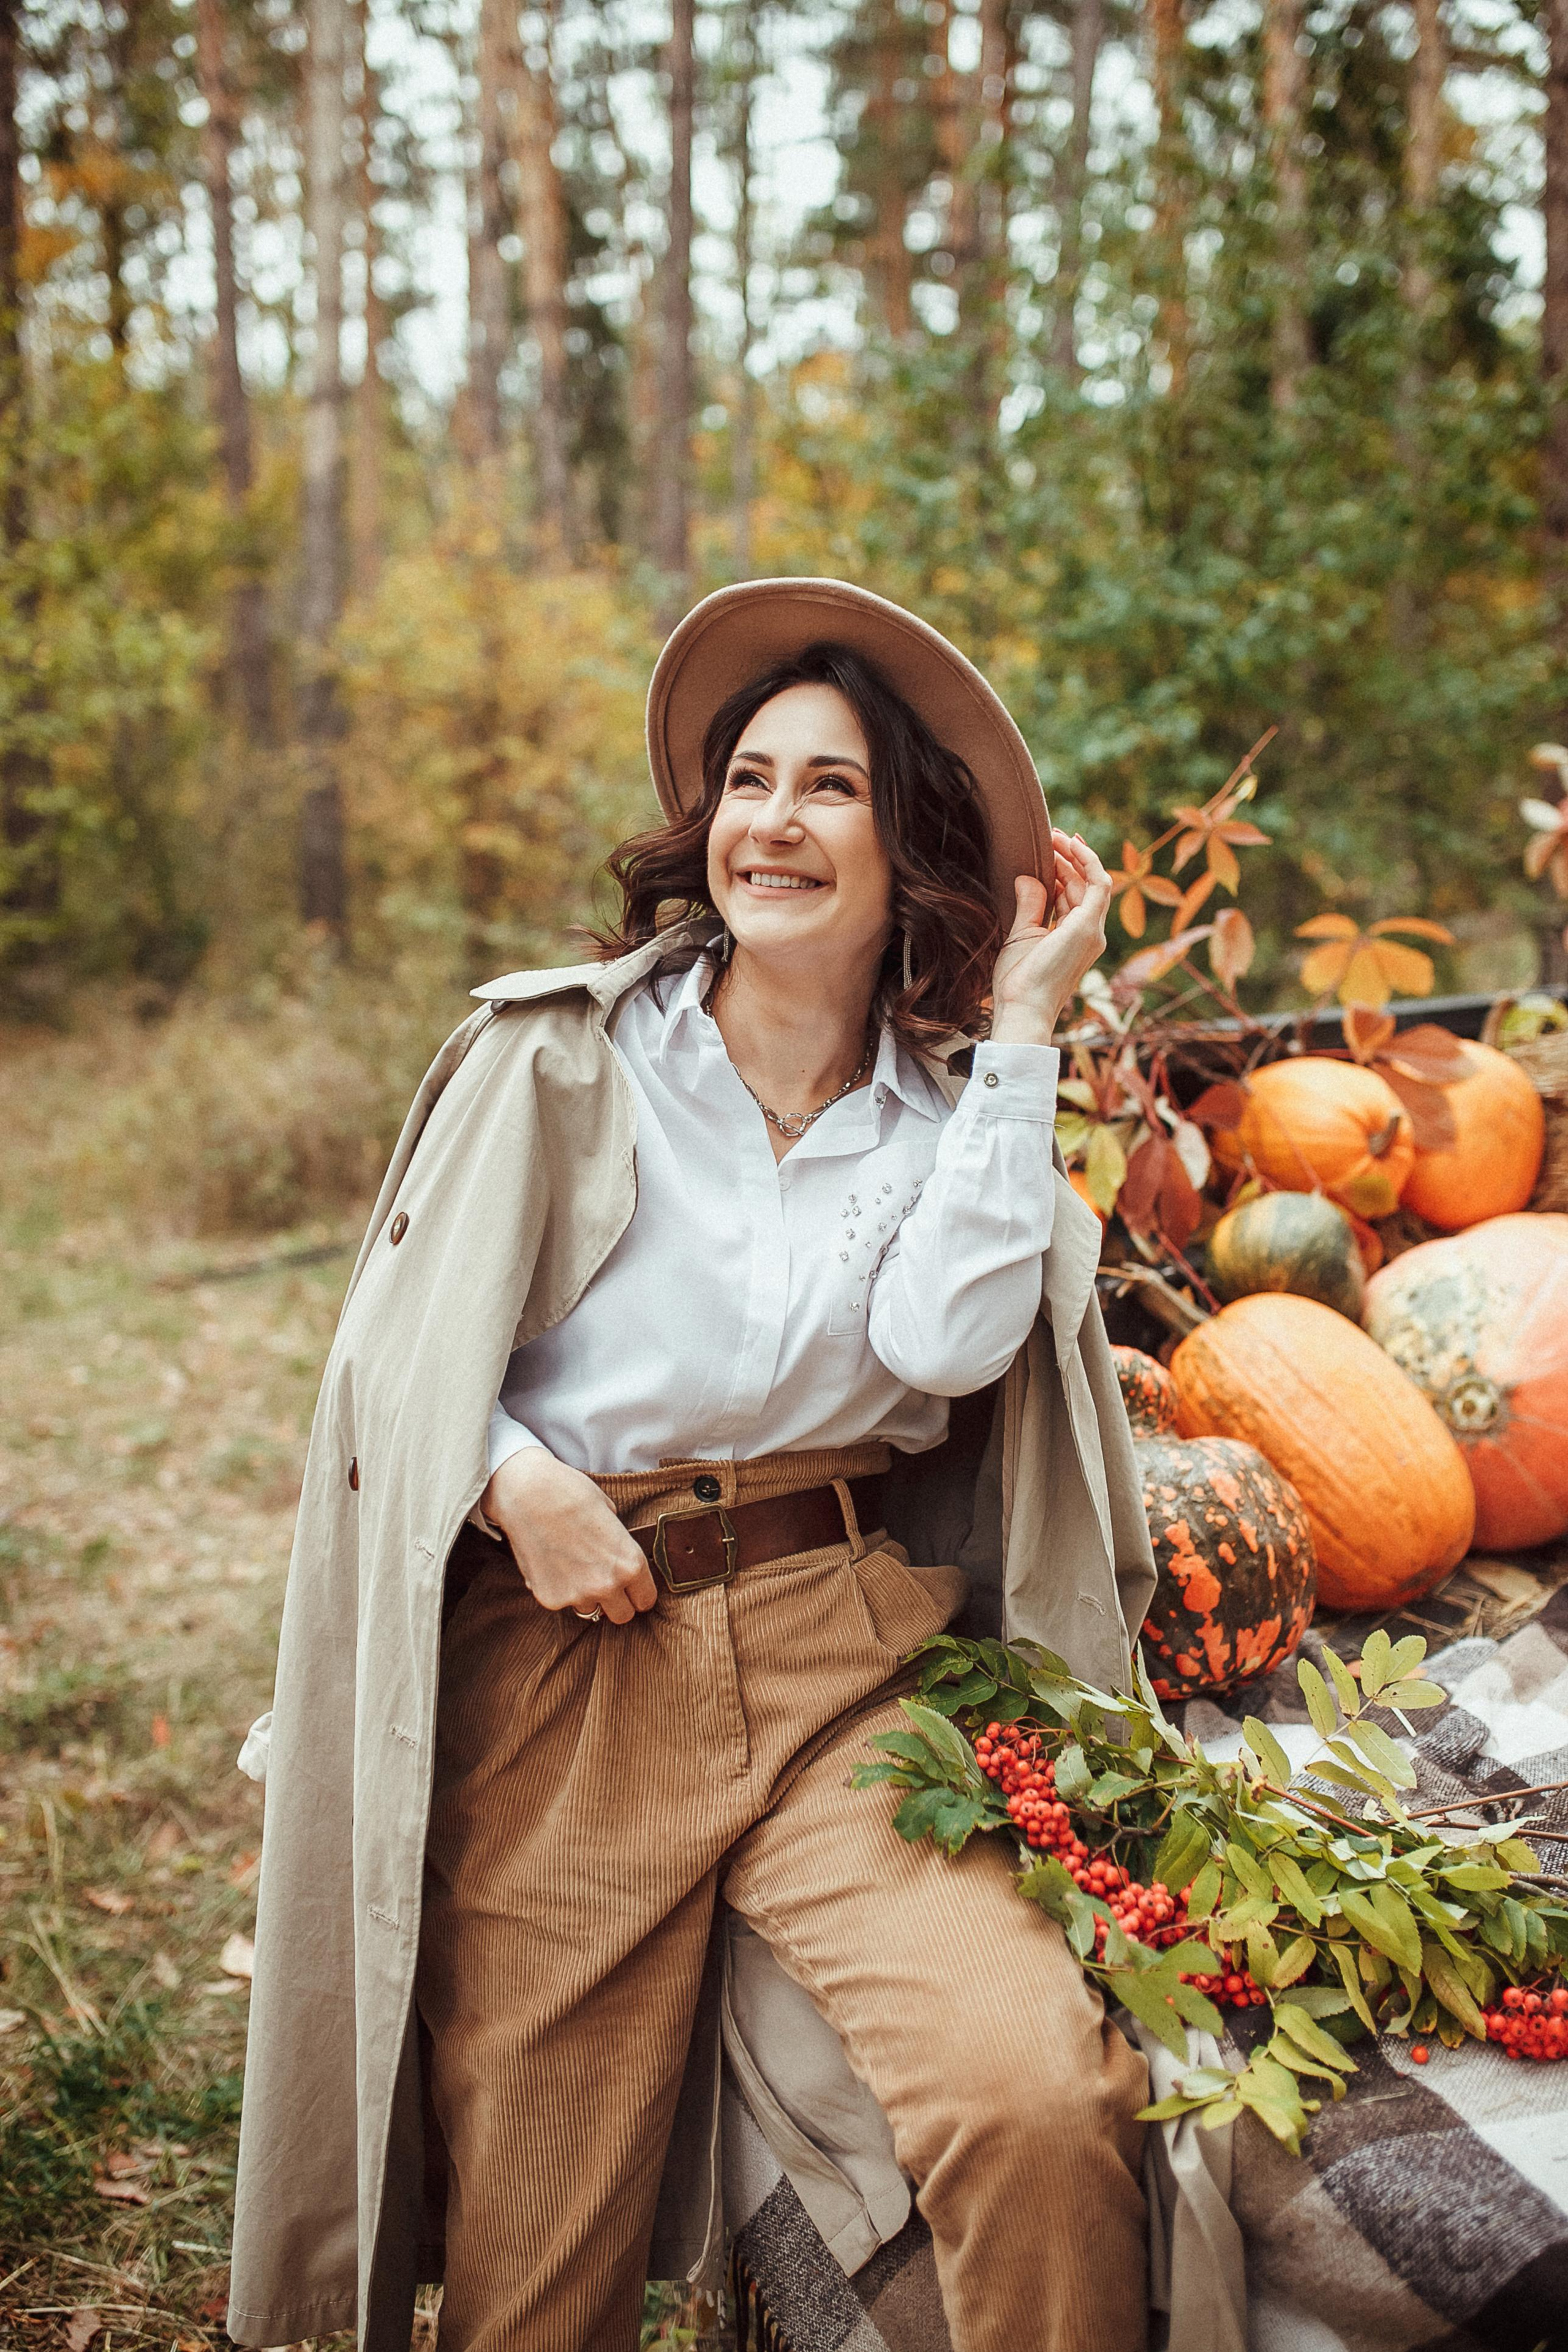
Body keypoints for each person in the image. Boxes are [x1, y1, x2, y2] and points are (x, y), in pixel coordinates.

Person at [227, 579, 1158, 2352]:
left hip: (841, 1659)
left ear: (911, 850)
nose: (773, 823)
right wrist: (513, 1475)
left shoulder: (954, 1119)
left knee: (1039, 2098)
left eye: (832, 789)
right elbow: (390, 1364)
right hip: (576, 1671)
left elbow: (947, 1350)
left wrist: (1032, 1016)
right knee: (537, 2269)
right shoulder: (566, 1059)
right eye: (749, 781)